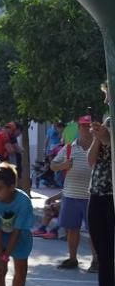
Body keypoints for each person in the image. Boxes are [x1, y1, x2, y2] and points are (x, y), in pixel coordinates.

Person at [79, 108, 114, 286]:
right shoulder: (108, 121)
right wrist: (98, 140)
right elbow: (92, 161)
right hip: (99, 196)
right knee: (105, 257)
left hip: (112, 196)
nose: (106, 98)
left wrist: (107, 140)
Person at [51, 115, 96, 270]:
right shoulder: (69, 147)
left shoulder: (99, 146)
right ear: (78, 128)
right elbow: (53, 165)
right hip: (71, 194)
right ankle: (72, 258)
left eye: (88, 125)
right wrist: (63, 165)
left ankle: (96, 260)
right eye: (83, 125)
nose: (85, 128)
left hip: (92, 196)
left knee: (94, 230)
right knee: (72, 229)